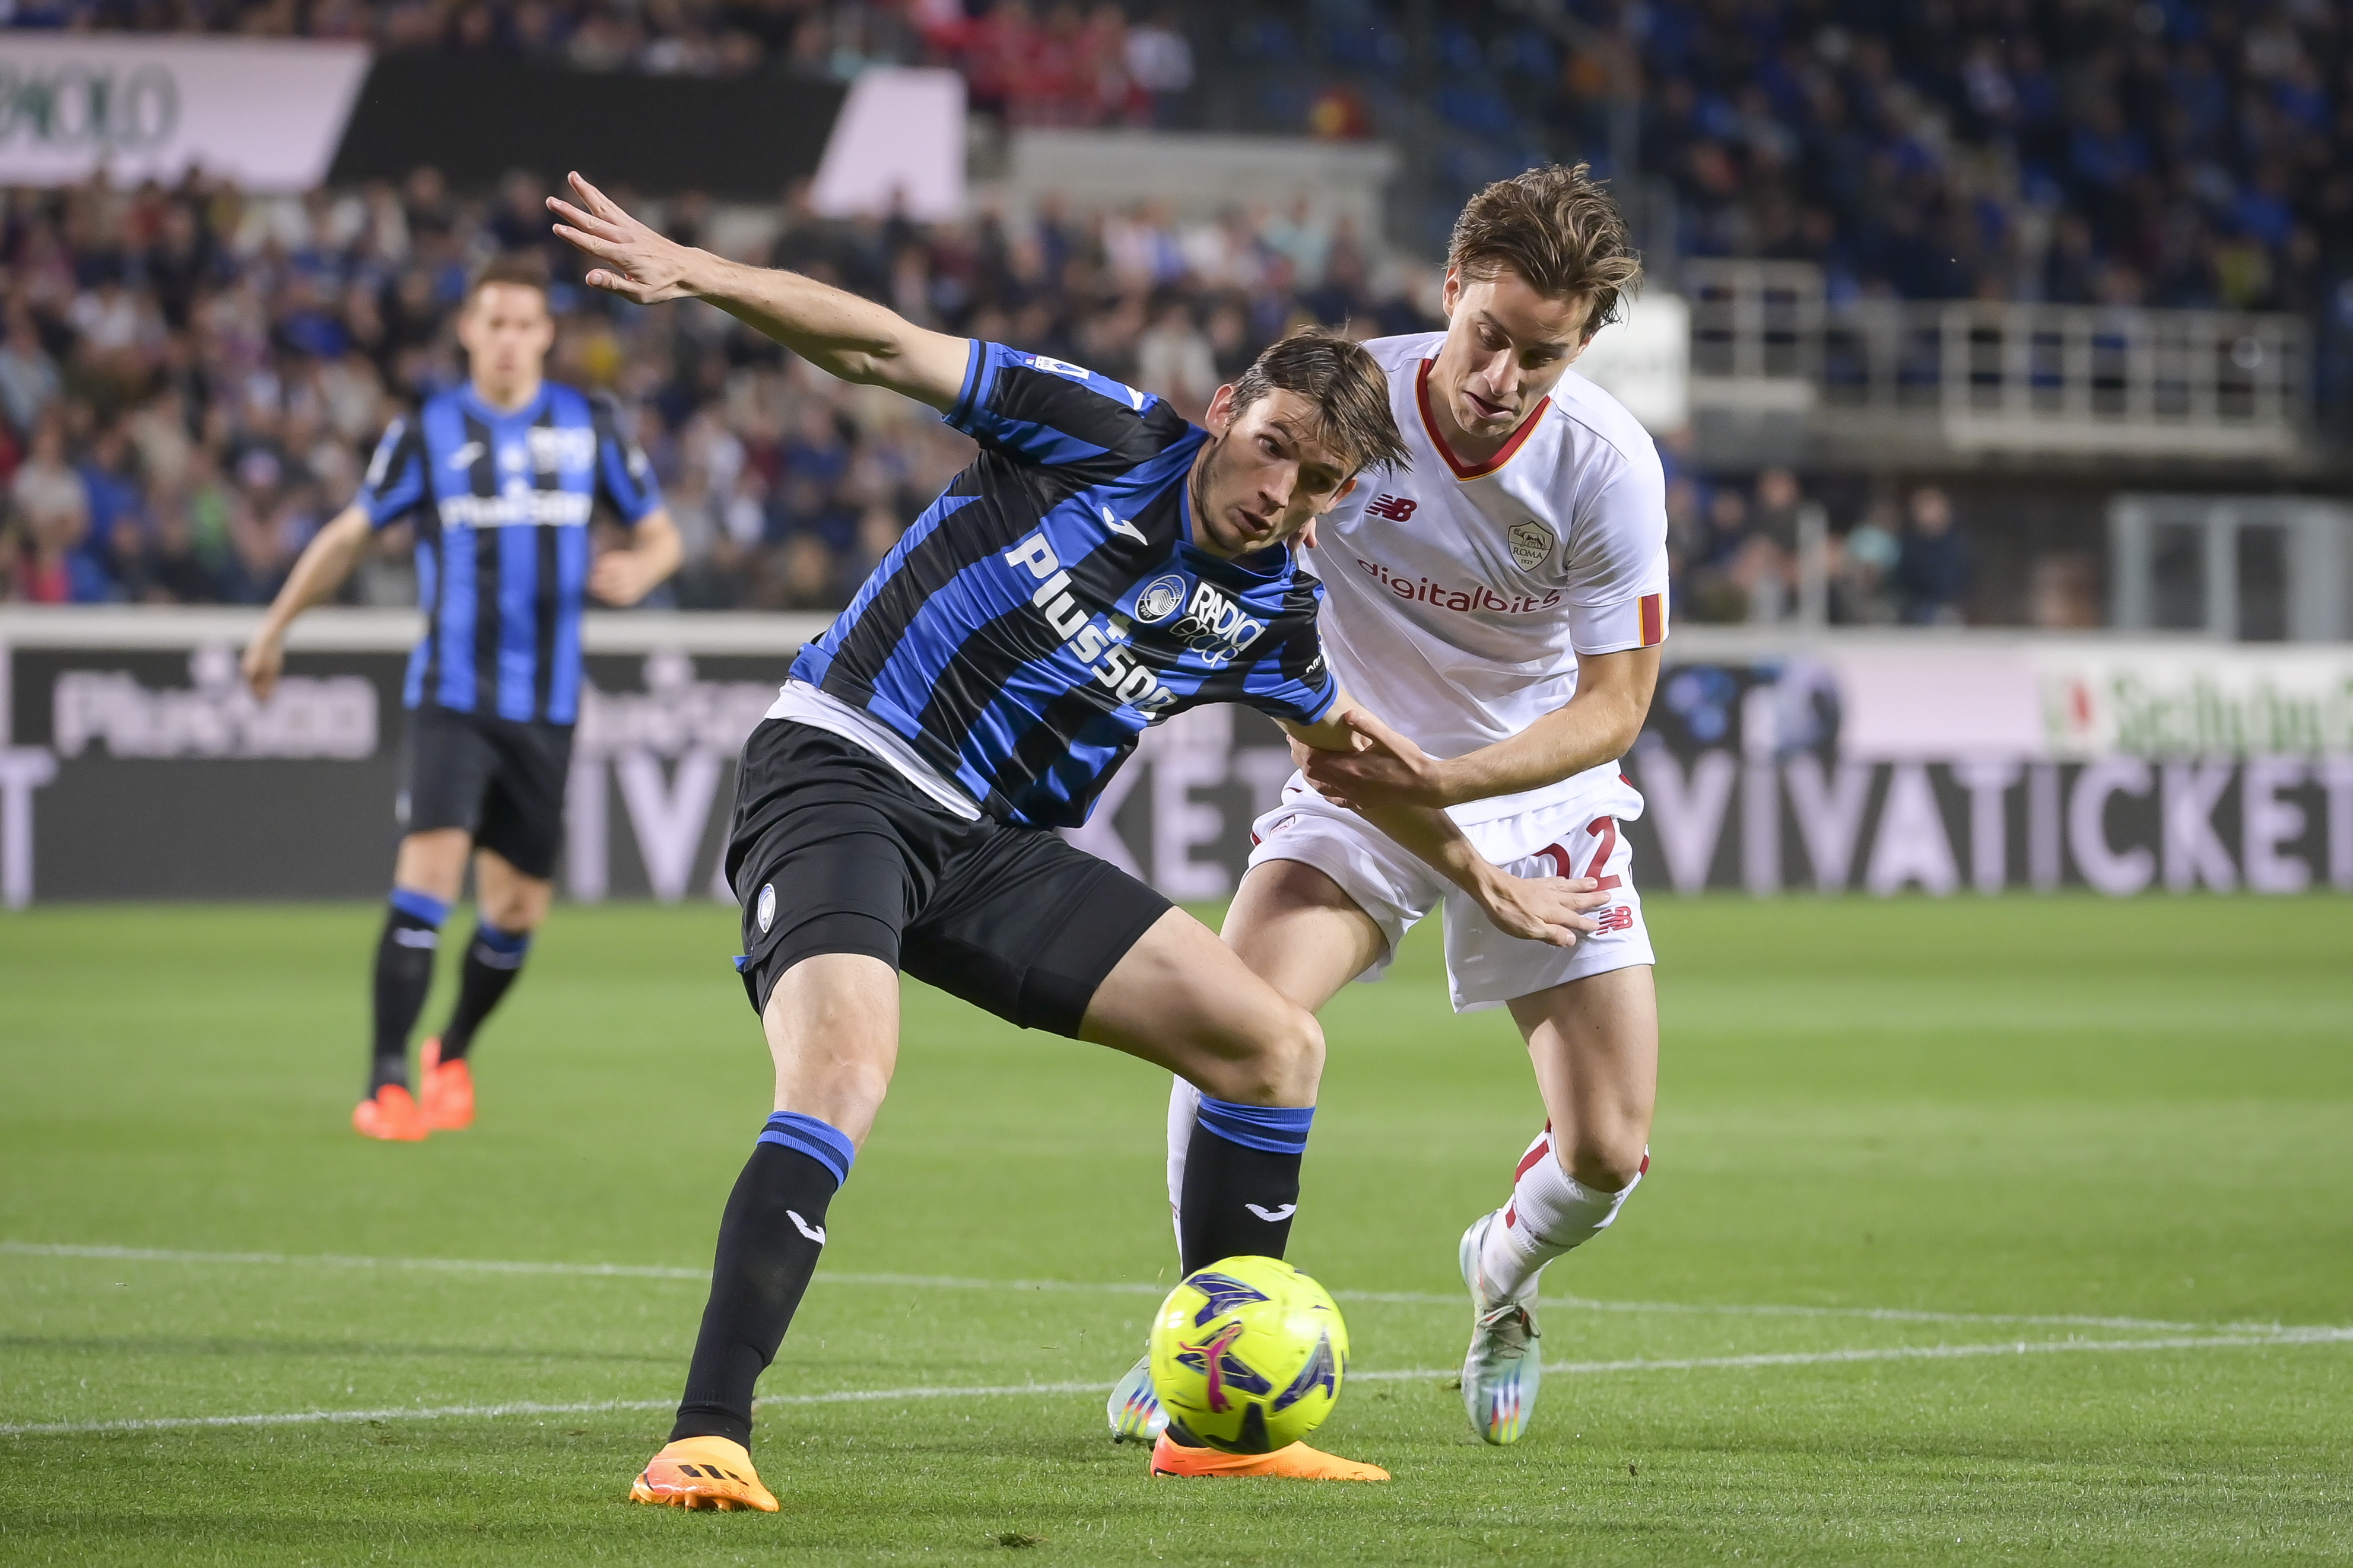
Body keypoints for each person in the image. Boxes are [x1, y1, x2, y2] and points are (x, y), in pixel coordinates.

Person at [545, 170, 1606, 1507]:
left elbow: (1357, 763)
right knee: (843, 1071)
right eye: (1274, 444)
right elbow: (880, 344)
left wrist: (1480, 873)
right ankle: (707, 1431)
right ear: (1228, 409)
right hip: (845, 772)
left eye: (1321, 482)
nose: (1282, 492)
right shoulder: (1103, 429)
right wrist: (698, 269)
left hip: (992, 848)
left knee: (1273, 1044)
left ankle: (1221, 1427)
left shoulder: (1275, 619)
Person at [1110, 163, 1668, 1449]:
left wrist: (1455, 783)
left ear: (1578, 344)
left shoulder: (1606, 468)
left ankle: (1503, 1274)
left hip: (1538, 792)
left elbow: (1616, 704)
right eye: (1488, 337)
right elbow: (1222, 518)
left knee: (1604, 1152)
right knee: (1232, 1021)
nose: (1504, 379)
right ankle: (1208, 1317)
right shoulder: (1348, 411)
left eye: (1543, 355)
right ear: (1450, 290)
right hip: (1358, 785)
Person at [240, 254, 682, 1141]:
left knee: (518, 911)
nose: (511, 339)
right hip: (454, 695)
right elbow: (350, 536)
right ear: (469, 332)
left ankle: (452, 1049)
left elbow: (661, 534)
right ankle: (385, 1082)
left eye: (526, 324)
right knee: (430, 877)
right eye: (496, 324)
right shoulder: (429, 432)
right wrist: (276, 624)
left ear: (547, 334)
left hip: (547, 710)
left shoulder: (590, 423)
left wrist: (643, 565)